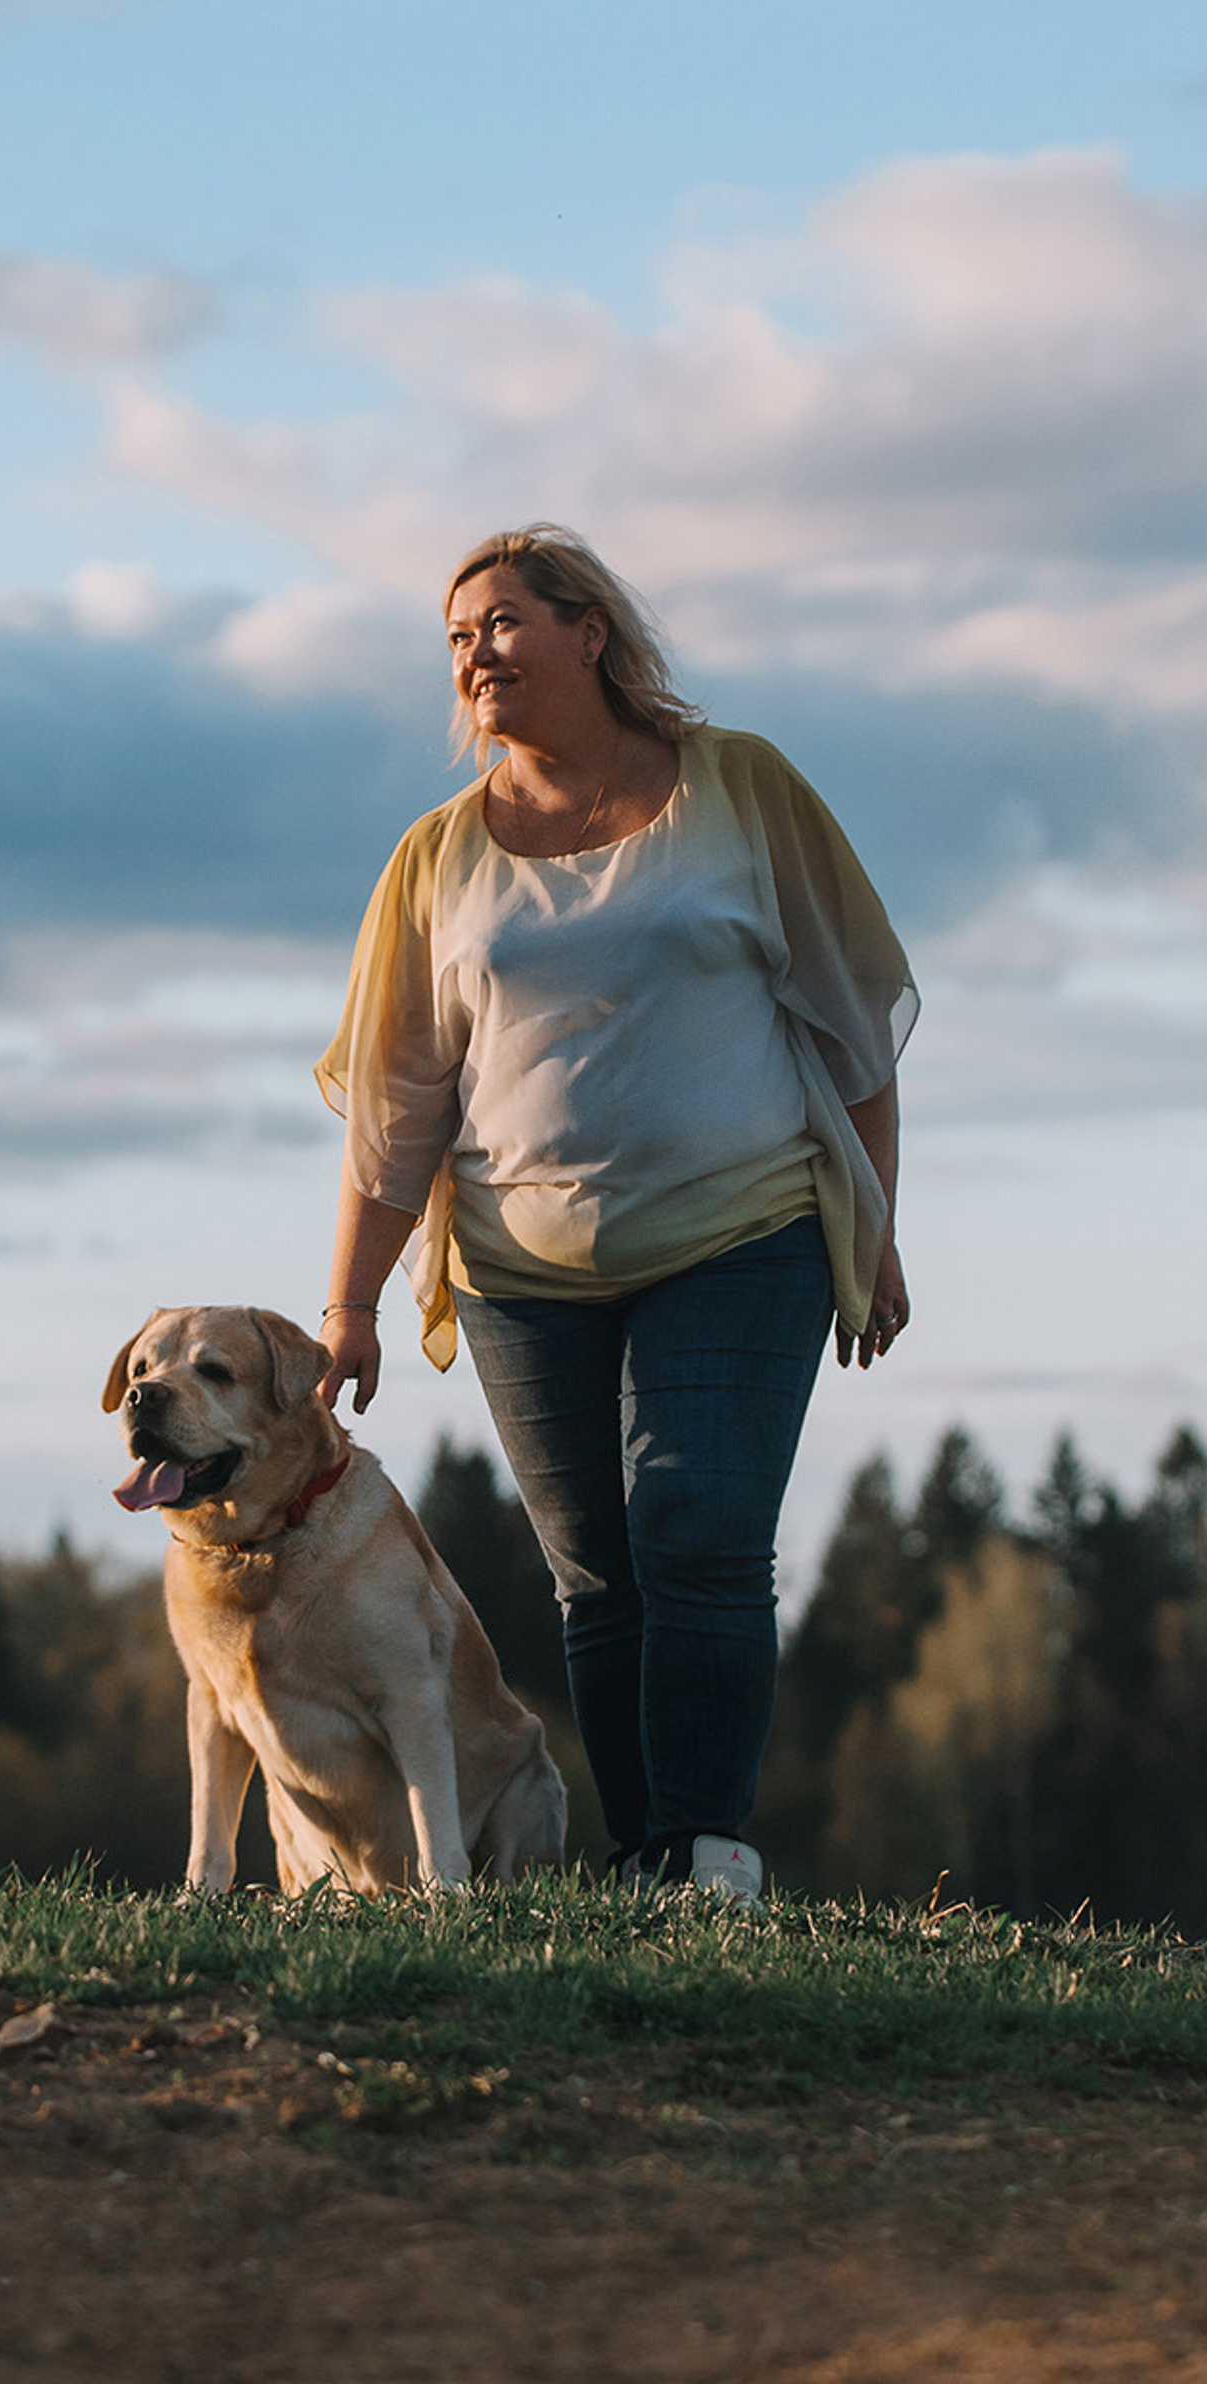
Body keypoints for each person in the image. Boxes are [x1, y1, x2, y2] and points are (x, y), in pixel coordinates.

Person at [313, 525, 915, 1902]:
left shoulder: (740, 789)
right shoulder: (437, 859)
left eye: (506, 621)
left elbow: (852, 1027)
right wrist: (348, 1304)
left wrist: (872, 1224)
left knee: (698, 1532)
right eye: (458, 638)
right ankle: (647, 1863)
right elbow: (393, 1112)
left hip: (742, 1232)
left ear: (592, 634)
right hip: (524, 1270)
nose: (477, 654)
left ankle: (707, 1856)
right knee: (599, 1577)